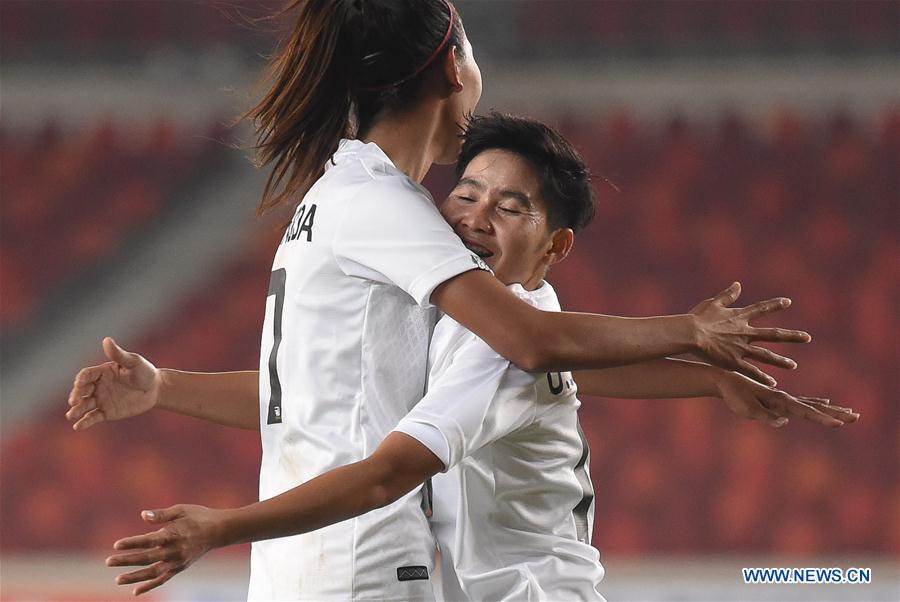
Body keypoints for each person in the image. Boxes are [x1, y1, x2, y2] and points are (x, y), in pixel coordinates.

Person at [67, 0, 816, 598]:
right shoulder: (393, 213)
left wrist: (165, 388)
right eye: (475, 195)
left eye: (510, 205)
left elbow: (329, 395)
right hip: (365, 565)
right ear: (455, 66)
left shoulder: (330, 200)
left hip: (300, 569)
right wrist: (690, 330)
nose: (479, 214)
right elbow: (529, 344)